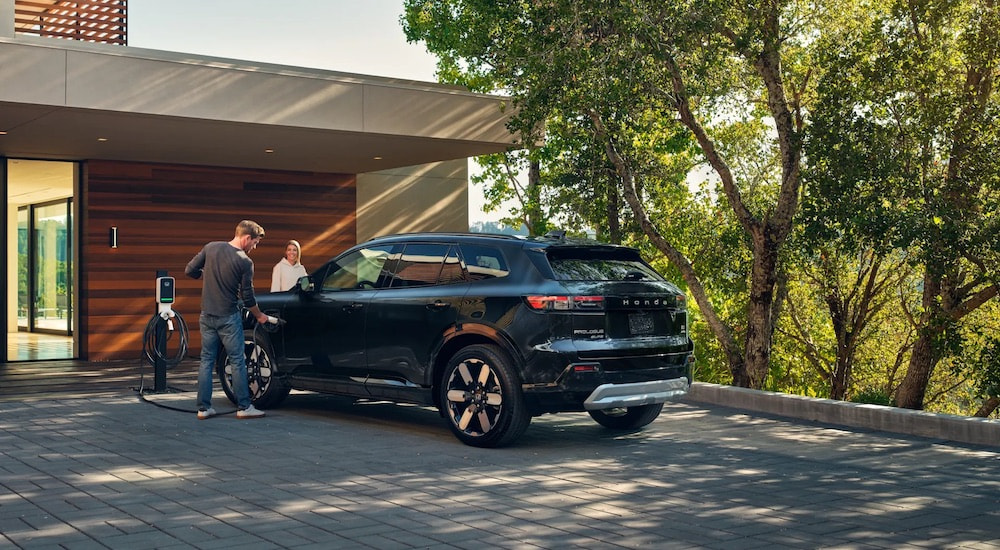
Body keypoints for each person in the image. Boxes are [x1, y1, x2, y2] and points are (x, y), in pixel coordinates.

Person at [185, 220, 270, 420]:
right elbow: (248, 298)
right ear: (247, 238)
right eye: (255, 243)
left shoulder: (211, 247)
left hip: (206, 315)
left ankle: (203, 409)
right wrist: (260, 315)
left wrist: (204, 275)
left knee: (206, 359)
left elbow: (189, 270)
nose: (254, 248)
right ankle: (244, 406)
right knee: (237, 361)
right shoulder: (244, 261)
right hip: (228, 317)